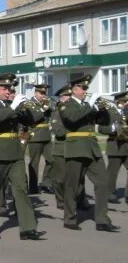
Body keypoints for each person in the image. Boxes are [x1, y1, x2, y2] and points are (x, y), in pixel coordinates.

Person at [0, 73, 45, 240]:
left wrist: (26, 107)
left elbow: (33, 120)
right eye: (4, 88)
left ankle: (27, 228)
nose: (8, 91)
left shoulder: (13, 104)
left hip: (15, 153)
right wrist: (12, 107)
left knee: (21, 189)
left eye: (10, 88)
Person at [59, 75, 119, 232]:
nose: (86, 91)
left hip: (92, 148)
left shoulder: (87, 105)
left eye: (86, 88)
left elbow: (103, 122)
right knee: (73, 186)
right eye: (83, 88)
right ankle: (70, 218)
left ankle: (102, 220)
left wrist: (104, 109)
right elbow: (72, 118)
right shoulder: (66, 105)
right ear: (75, 89)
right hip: (76, 148)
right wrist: (91, 105)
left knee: (103, 182)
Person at [50, 84, 89, 210]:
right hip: (62, 149)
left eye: (70, 95)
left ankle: (80, 200)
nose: (69, 98)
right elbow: (59, 132)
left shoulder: (77, 111)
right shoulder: (57, 112)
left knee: (79, 177)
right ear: (61, 98)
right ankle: (61, 200)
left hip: (76, 147)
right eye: (67, 96)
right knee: (60, 178)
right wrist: (73, 130)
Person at [23, 84, 55, 194]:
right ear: (35, 93)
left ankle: (47, 183)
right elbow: (33, 118)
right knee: (34, 163)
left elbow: (54, 114)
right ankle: (33, 186)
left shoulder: (46, 103)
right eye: (41, 93)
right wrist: (42, 109)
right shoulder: (29, 103)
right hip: (35, 135)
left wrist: (52, 106)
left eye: (44, 93)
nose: (43, 95)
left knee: (52, 160)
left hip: (46, 135)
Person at [100, 90, 128, 204]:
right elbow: (101, 128)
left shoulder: (126, 111)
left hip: (126, 145)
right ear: (117, 101)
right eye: (124, 100)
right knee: (112, 172)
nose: (126, 103)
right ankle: (109, 194)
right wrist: (112, 129)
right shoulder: (109, 112)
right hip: (114, 145)